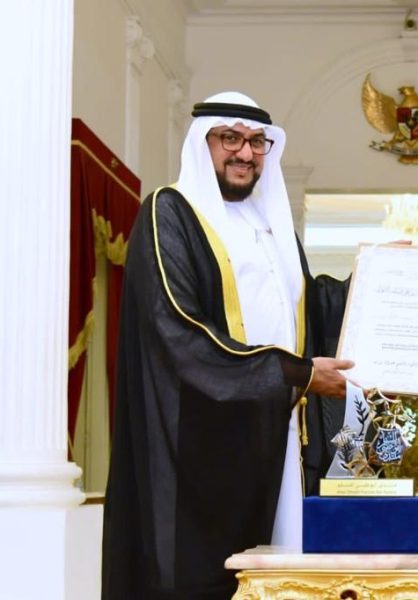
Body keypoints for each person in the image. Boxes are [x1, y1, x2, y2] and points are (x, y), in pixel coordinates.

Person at [102, 91, 352, 599]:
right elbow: (175, 328)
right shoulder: (170, 213)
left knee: (282, 580)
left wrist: (390, 278)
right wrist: (296, 375)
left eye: (257, 142)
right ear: (204, 143)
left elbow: (312, 308)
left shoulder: (271, 228)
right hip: (199, 451)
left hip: (278, 436)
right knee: (208, 582)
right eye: (230, 138)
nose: (245, 152)